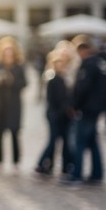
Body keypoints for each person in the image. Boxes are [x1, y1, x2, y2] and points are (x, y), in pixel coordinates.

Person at [60, 35, 106, 187]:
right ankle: (97, 173)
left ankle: (76, 174)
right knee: (92, 141)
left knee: (80, 142)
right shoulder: (100, 63)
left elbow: (83, 88)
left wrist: (74, 105)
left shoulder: (88, 64)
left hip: (88, 109)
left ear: (83, 50)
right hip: (97, 107)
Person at [0, 36, 28, 175]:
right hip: (0, 106)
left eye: (10, 52)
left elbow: (24, 84)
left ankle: (16, 162)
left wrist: (12, 80)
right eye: (5, 52)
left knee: (15, 134)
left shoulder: (19, 67)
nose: (8, 55)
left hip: (14, 106)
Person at [33, 47, 74, 178]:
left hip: (63, 116)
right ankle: (44, 163)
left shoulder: (64, 78)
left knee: (64, 141)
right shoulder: (53, 79)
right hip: (55, 115)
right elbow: (54, 100)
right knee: (53, 140)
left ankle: (63, 165)